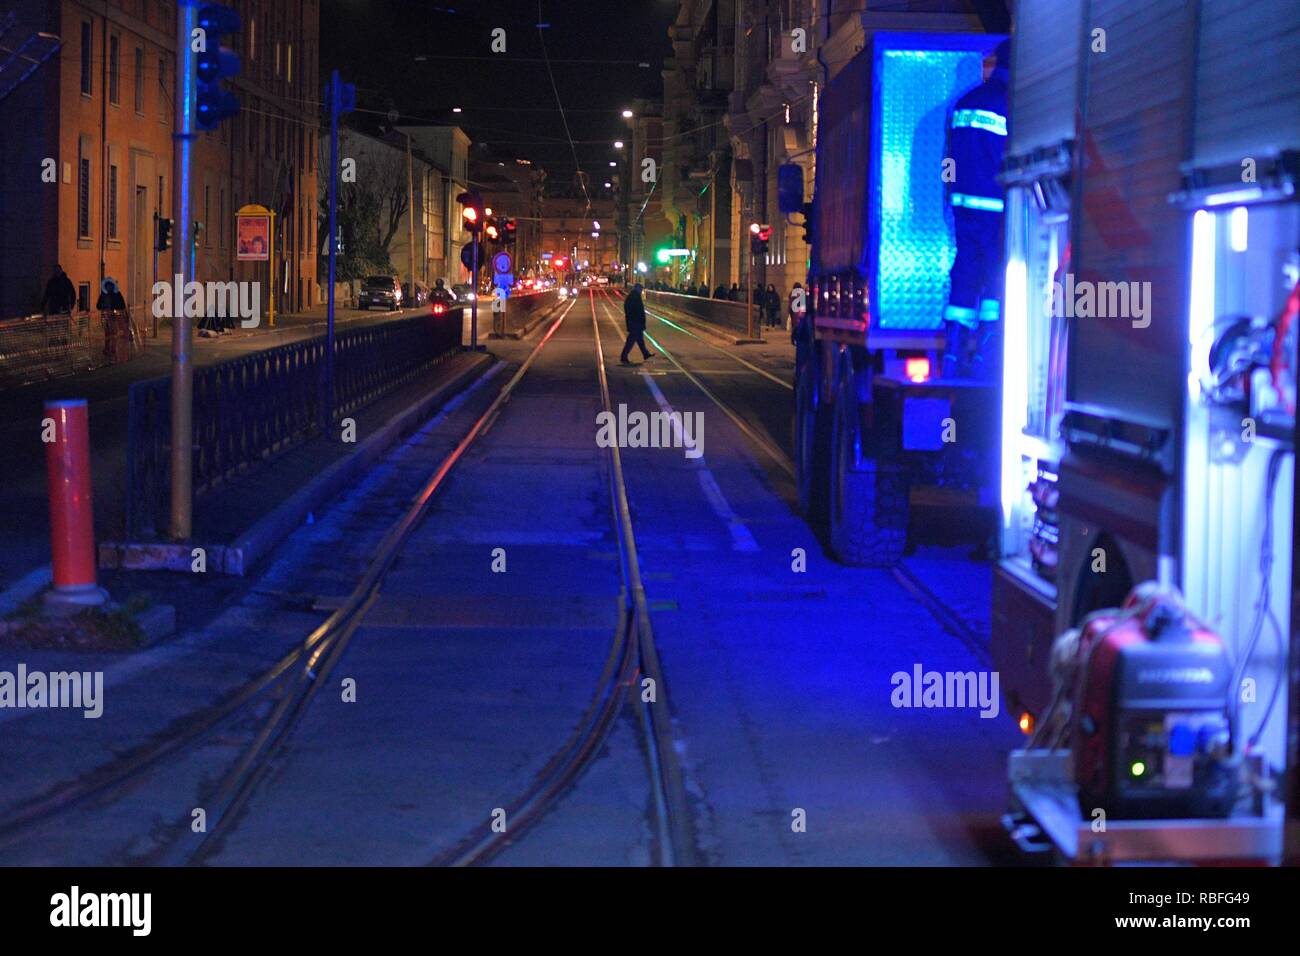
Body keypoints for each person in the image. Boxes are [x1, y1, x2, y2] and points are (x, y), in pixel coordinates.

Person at [942, 38, 1009, 377]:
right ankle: (987, 351)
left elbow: (950, 157)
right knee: (996, 274)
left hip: (963, 203)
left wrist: (951, 193)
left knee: (966, 268)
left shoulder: (965, 102)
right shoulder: (1009, 103)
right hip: (996, 205)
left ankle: (953, 348)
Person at [619, 283, 655, 365]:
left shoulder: (633, 296)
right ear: (637, 289)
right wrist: (634, 318)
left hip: (635, 321)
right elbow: (634, 309)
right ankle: (623, 356)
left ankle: (645, 354)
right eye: (640, 289)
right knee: (631, 340)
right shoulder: (634, 296)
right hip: (635, 322)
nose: (641, 291)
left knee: (639, 339)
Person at [96, 276, 128, 360]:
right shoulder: (103, 295)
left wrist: (115, 309)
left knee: (114, 334)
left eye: (110, 285)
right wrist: (103, 306)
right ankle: (107, 349)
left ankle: (113, 350)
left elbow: (122, 305)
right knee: (107, 334)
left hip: (115, 318)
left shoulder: (117, 294)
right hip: (106, 318)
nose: (108, 287)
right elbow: (98, 305)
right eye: (107, 285)